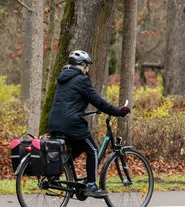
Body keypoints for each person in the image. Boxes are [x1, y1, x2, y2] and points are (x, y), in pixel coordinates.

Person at [46, 50, 130, 198]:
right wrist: (118, 111)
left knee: (76, 149)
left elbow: (68, 102)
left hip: (54, 121)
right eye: (87, 66)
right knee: (93, 150)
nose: (87, 69)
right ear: (82, 65)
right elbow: (98, 102)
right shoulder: (81, 80)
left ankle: (55, 174)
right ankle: (91, 185)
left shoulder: (62, 78)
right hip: (71, 123)